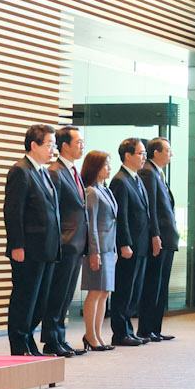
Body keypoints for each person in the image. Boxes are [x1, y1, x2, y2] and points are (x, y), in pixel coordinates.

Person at [3, 124, 60, 357]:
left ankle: (28, 340)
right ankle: (19, 345)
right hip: (28, 249)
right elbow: (13, 211)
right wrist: (17, 244)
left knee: (40, 302)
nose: (53, 150)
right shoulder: (20, 170)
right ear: (34, 145)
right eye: (49, 145)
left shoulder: (43, 171)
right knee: (24, 299)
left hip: (47, 249)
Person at [43, 127, 86, 356]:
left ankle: (60, 337)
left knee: (67, 295)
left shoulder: (73, 171)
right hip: (64, 244)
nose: (82, 146)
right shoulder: (55, 172)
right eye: (78, 142)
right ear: (65, 145)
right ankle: (51, 340)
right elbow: (54, 212)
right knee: (57, 294)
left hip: (77, 244)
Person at [108, 138, 151, 347]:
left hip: (141, 244)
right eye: (141, 153)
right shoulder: (120, 180)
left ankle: (129, 330)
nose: (144, 157)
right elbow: (121, 216)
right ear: (128, 155)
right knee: (124, 289)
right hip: (129, 245)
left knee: (134, 290)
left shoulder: (136, 178)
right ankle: (120, 332)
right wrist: (124, 243)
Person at [141, 137, 179, 341]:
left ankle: (155, 328)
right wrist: (155, 234)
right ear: (156, 152)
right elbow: (152, 209)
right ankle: (146, 328)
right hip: (160, 238)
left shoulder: (158, 172)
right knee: (153, 285)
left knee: (161, 286)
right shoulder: (148, 172)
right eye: (168, 150)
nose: (171, 154)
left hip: (167, 237)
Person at [80, 149, 118, 351]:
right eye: (105, 164)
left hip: (109, 248)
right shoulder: (91, 192)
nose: (109, 168)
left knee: (104, 293)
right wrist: (94, 252)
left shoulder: (107, 190)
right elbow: (91, 225)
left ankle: (98, 334)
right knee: (95, 292)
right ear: (95, 167)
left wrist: (114, 249)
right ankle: (90, 335)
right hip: (98, 249)